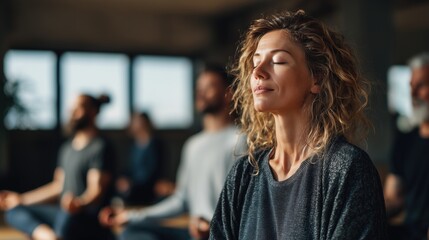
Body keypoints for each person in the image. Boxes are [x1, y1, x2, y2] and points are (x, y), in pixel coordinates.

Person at [209, 10, 387, 239]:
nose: (258, 72)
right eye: (255, 62)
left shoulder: (346, 168)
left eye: (278, 61)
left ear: (317, 79)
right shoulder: (244, 173)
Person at [99, 65, 247, 240]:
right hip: (192, 233)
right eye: (199, 88)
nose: (201, 93)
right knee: (130, 233)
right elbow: (180, 200)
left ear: (228, 93)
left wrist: (216, 227)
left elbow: (246, 202)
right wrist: (131, 216)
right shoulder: (193, 145)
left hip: (221, 234)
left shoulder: (242, 140)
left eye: (209, 87)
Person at [0, 94, 116, 240]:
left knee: (68, 218)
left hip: (87, 219)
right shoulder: (67, 149)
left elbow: (95, 191)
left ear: (93, 111)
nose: (71, 112)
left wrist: (79, 203)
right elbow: (58, 186)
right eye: (70, 108)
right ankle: (49, 236)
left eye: (78, 108)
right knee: (14, 211)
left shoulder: (100, 147)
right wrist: (21, 199)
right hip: (63, 214)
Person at [384, 52, 429, 240]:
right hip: (410, 232)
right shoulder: (406, 140)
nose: (412, 94)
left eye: (421, 85)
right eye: (411, 86)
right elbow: (393, 196)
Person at [115, 112, 163, 205]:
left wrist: (132, 184)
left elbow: (153, 171)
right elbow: (130, 168)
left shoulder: (155, 145)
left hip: (147, 189)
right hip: (133, 187)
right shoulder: (134, 146)